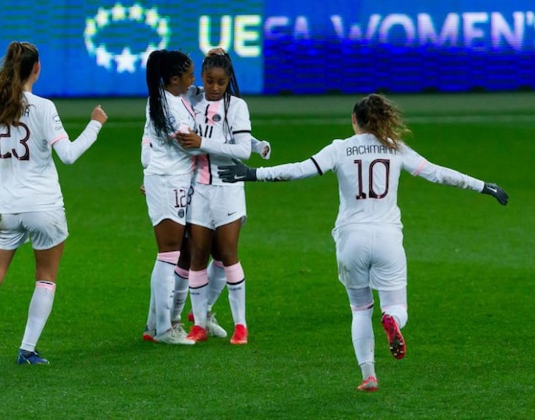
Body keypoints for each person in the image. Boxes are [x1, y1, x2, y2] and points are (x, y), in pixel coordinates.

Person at [218, 93, 508, 388]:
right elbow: (438, 174)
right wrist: (483, 186)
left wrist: (252, 173)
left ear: (355, 120)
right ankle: (392, 320)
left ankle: (369, 375)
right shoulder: (396, 149)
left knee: (360, 309)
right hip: (387, 238)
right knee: (397, 307)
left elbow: (298, 170)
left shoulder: (340, 148)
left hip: (350, 239)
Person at [0, 41, 109, 365]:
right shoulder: (44, 107)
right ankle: (27, 350)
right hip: (44, 206)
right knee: (46, 278)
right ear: (36, 68)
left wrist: (4, 161)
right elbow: (69, 155)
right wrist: (95, 124)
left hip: (5, 207)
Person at [174, 49, 257, 344]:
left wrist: (202, 143)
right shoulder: (192, 99)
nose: (215, 87)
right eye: (209, 81)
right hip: (199, 189)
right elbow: (173, 86)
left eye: (221, 82)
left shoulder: (237, 106)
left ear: (228, 80)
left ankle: (241, 325)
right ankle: (199, 324)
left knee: (227, 255)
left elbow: (243, 150)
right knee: (197, 255)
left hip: (228, 189)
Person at [141, 49, 199, 345]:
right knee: (168, 254)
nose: (194, 80)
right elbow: (191, 145)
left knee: (171, 252)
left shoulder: (166, 99)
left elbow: (147, 146)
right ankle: (164, 329)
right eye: (190, 75)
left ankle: (154, 325)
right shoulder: (169, 107)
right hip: (169, 182)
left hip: (167, 180)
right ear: (175, 79)